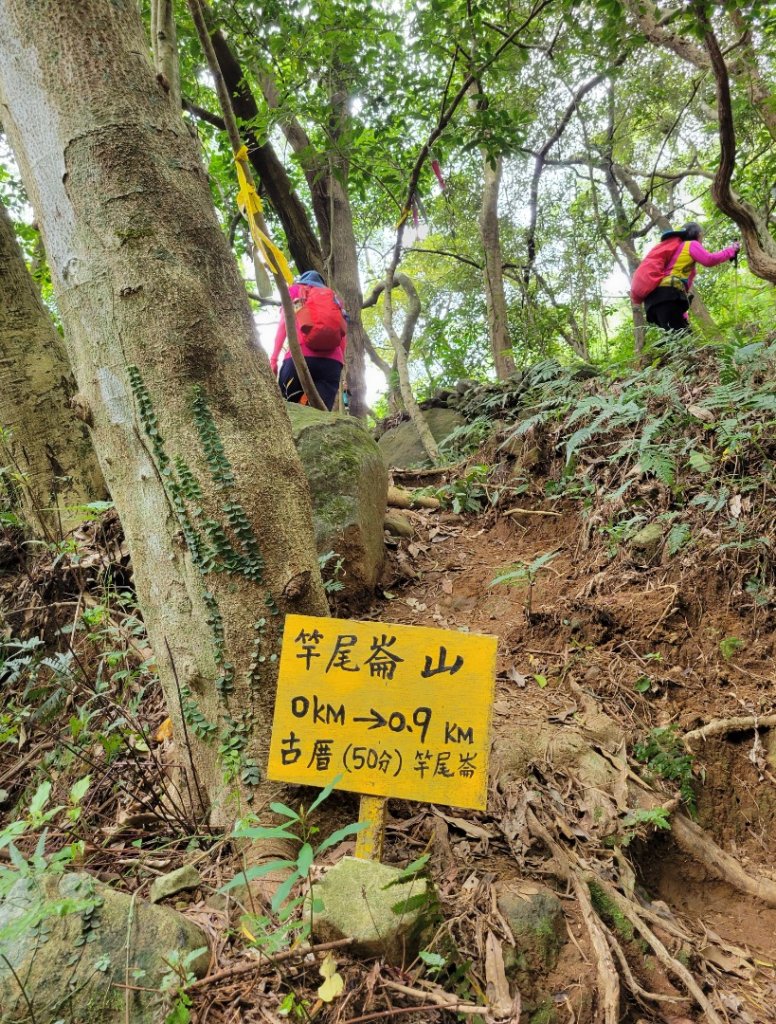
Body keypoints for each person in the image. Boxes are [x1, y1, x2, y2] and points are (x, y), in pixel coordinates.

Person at [631, 223, 739, 333]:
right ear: (698, 234)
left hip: (653, 302)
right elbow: (709, 260)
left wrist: (683, 313)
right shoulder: (690, 244)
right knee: (683, 341)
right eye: (701, 235)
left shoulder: (676, 251)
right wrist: (731, 250)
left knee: (680, 339)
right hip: (666, 297)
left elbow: (679, 284)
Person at [269, 270, 347, 411]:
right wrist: (341, 364)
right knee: (319, 414)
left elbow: (283, 325)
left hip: (299, 358)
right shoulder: (334, 298)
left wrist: (273, 359)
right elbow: (343, 334)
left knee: (289, 412)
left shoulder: (295, 290)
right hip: (331, 365)